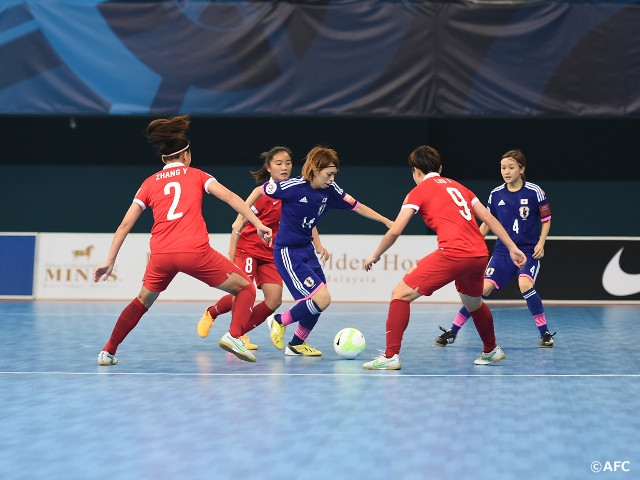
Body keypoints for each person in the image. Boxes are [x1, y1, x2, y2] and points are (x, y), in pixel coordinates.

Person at [94, 114, 272, 365]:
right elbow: (230, 197)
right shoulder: (197, 175)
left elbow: (125, 225)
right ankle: (234, 335)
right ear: (186, 155)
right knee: (245, 288)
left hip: (161, 256)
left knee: (142, 301)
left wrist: (109, 261)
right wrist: (258, 223)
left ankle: (108, 351)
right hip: (194, 252)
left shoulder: (149, 183)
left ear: (165, 158)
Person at [361, 145, 527, 370]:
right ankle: (491, 349)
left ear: (416, 171)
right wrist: (512, 248)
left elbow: (396, 230)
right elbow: (488, 217)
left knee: (400, 294)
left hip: (453, 253)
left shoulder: (418, 191)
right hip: (478, 253)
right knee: (473, 303)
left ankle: (391, 356)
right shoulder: (461, 188)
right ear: (439, 168)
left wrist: (375, 255)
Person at [251, 146, 394, 356]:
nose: (332, 178)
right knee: (322, 299)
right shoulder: (292, 186)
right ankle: (279, 321)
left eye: (334, 174)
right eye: (329, 174)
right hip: (288, 253)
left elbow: (357, 205)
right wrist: (251, 222)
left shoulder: (332, 190)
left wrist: (385, 221)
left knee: (319, 302)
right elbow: (259, 191)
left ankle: (296, 344)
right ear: (315, 170)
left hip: (307, 250)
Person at [196, 146, 329, 349]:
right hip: (248, 249)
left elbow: (308, 220)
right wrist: (231, 257)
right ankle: (212, 312)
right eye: (278, 163)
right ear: (268, 167)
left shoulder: (296, 190)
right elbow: (237, 225)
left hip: (272, 253)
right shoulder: (264, 194)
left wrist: (318, 245)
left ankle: (238, 334)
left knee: (274, 300)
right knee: (243, 293)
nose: (284, 167)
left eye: (288, 163)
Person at [435, 148, 555, 348]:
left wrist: (541, 243)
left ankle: (545, 334)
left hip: (527, 251)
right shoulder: (496, 194)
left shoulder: (535, 192)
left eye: (511, 168)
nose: (506, 172)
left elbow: (546, 219)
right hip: (502, 252)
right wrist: (472, 243)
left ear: (522, 169)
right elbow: (487, 222)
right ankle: (453, 331)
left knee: (525, 285)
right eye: (503, 168)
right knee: (480, 290)